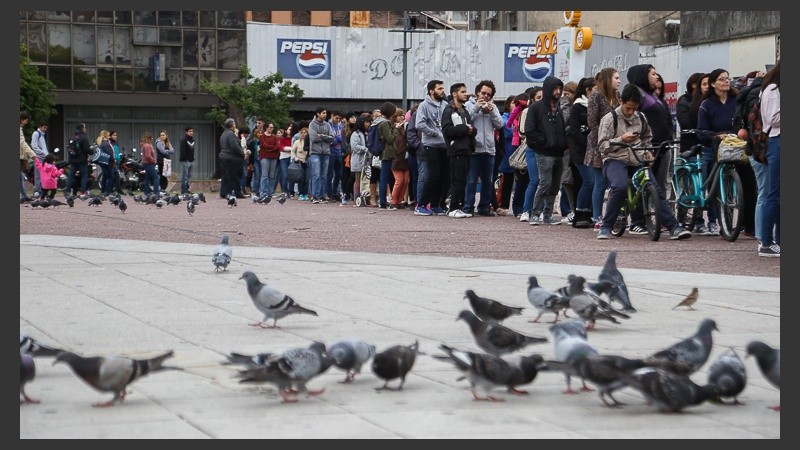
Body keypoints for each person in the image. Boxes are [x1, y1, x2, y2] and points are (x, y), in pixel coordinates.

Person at [596, 84, 691, 241]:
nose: (631, 112)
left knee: (655, 187)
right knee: (619, 186)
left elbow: (647, 136)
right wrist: (621, 139)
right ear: (621, 101)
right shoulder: (609, 119)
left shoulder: (640, 117)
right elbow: (602, 146)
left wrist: (648, 151)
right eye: (628, 108)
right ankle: (606, 226)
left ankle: (673, 226)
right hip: (615, 159)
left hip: (637, 158)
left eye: (634, 108)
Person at [697, 68, 756, 238]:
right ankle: (725, 224)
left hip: (739, 147)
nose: (725, 82)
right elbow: (701, 131)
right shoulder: (706, 105)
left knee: (749, 185)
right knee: (718, 187)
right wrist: (716, 136)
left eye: (727, 78)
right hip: (718, 150)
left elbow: (744, 121)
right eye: (721, 79)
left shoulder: (736, 101)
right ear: (713, 84)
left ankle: (749, 226)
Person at [626, 64, 674, 234]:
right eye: (653, 74)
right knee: (641, 183)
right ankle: (637, 220)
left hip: (661, 146)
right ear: (643, 76)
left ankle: (659, 219)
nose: (656, 77)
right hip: (646, 147)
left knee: (658, 186)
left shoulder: (653, 96)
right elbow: (631, 120)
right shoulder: (638, 95)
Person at [524, 75, 569, 226]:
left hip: (558, 152)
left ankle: (547, 214)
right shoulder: (536, 108)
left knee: (555, 185)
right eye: (555, 88)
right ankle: (535, 214)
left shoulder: (558, 108)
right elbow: (529, 130)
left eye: (560, 88)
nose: (558, 92)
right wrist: (544, 142)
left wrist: (562, 143)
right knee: (545, 183)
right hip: (544, 152)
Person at [585, 68, 620, 228]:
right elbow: (592, 121)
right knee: (600, 182)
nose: (619, 81)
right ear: (607, 79)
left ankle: (613, 216)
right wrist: (604, 137)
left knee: (614, 181)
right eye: (616, 78)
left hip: (616, 142)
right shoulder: (596, 96)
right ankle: (597, 217)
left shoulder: (617, 96)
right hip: (599, 143)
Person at [464, 79, 504, 217]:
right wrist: (477, 107)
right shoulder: (469, 105)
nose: (485, 96)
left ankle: (484, 207)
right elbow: (466, 120)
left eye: (488, 94)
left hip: (489, 149)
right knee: (471, 180)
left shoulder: (493, 107)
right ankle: (468, 207)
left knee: (488, 181)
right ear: (477, 93)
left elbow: (500, 124)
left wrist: (491, 112)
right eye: (483, 93)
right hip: (474, 149)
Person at [441, 82, 476, 218]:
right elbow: (447, 130)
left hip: (466, 148)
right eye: (462, 92)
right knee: (458, 179)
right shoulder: (449, 111)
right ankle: (453, 208)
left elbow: (470, 128)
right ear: (454, 94)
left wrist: (472, 131)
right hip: (456, 149)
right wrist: (465, 129)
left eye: (465, 91)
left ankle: (459, 207)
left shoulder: (465, 111)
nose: (465, 94)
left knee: (463, 180)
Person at [414, 79, 449, 216]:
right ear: (431, 91)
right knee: (434, 175)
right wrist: (434, 133)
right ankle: (421, 204)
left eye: (443, 88)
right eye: (439, 89)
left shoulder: (445, 105)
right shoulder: (424, 105)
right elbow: (419, 124)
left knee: (444, 176)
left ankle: (435, 204)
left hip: (444, 145)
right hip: (431, 144)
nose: (442, 91)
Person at [566, 77, 596, 228]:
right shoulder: (577, 107)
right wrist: (588, 145)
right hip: (580, 151)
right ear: (587, 90)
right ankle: (579, 213)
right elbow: (575, 131)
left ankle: (588, 214)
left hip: (593, 151)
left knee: (592, 182)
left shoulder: (596, 106)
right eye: (595, 90)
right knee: (589, 181)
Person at [757, 61, 780, 257]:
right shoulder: (773, 89)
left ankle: (779, 240)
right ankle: (766, 241)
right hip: (777, 140)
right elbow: (773, 118)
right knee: (774, 193)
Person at [308, 107, 334, 203]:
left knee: (324, 175)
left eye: (325, 113)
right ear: (318, 114)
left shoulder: (327, 125)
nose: (325, 115)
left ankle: (322, 195)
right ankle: (315, 196)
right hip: (315, 152)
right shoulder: (312, 124)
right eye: (323, 113)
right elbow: (313, 138)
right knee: (316, 174)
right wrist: (326, 138)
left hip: (326, 153)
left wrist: (321, 136)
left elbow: (332, 137)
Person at [219, 118, 245, 199]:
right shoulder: (231, 134)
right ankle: (237, 193)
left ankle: (224, 192)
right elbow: (234, 146)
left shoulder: (223, 134)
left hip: (223, 156)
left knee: (225, 176)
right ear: (232, 124)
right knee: (234, 176)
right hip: (231, 158)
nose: (235, 125)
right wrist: (242, 154)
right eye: (234, 123)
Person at [390, 108, 410, 209]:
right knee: (399, 180)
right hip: (396, 158)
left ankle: (399, 200)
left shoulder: (404, 127)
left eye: (402, 115)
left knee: (405, 181)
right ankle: (393, 200)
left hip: (404, 157)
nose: (402, 117)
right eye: (399, 115)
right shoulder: (392, 128)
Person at [64, 123, 91, 197]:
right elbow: (87, 150)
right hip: (82, 160)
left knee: (71, 175)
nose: (85, 129)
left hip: (73, 160)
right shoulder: (84, 138)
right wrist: (92, 151)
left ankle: (67, 191)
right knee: (84, 175)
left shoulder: (72, 138)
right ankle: (82, 192)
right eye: (84, 128)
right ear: (82, 129)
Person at [349, 114, 371, 203]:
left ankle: (364, 197)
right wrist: (366, 149)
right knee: (358, 179)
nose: (368, 124)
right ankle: (357, 198)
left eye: (369, 122)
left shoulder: (366, 133)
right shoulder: (356, 133)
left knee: (365, 180)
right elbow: (355, 146)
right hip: (358, 160)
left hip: (366, 161)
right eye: (366, 122)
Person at [258, 122, 280, 199]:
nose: (272, 129)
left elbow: (277, 146)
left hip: (273, 157)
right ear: (266, 128)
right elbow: (264, 145)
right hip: (265, 157)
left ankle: (271, 192)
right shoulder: (262, 136)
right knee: (264, 175)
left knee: (272, 175)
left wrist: (270, 149)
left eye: (272, 127)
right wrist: (272, 148)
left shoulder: (274, 137)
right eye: (270, 127)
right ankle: (263, 192)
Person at [327, 111, 345, 201]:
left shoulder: (341, 126)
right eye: (336, 118)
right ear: (332, 116)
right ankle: (329, 193)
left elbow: (343, 138)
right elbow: (330, 140)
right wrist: (337, 139)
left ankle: (335, 193)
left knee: (339, 174)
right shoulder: (328, 126)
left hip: (339, 152)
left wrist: (337, 139)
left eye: (339, 119)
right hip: (330, 153)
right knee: (329, 175)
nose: (338, 120)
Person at [30, 120, 49, 198]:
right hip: (39, 157)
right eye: (44, 127)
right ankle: (37, 191)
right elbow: (34, 146)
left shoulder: (41, 135)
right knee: (38, 175)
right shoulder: (36, 133)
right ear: (40, 127)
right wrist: (43, 153)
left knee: (43, 175)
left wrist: (46, 155)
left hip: (43, 157)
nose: (45, 129)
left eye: (46, 128)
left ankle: (41, 191)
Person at [290, 126, 310, 201]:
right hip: (299, 162)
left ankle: (305, 193)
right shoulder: (297, 142)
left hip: (307, 161)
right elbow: (293, 150)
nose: (303, 134)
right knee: (301, 179)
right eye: (302, 132)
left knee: (306, 179)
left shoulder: (309, 142)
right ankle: (301, 193)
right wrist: (295, 158)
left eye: (305, 132)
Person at [95, 130, 115, 195]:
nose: (109, 136)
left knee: (105, 177)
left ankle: (103, 190)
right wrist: (113, 160)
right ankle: (108, 191)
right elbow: (110, 153)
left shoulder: (100, 143)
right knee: (110, 177)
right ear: (106, 136)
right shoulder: (106, 144)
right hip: (108, 162)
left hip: (102, 162)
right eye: (108, 135)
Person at [140, 131, 160, 196]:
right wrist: (154, 161)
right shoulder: (147, 146)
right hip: (149, 163)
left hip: (146, 163)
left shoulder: (144, 145)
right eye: (151, 138)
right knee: (155, 177)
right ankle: (156, 192)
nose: (152, 139)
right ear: (149, 138)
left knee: (147, 178)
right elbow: (148, 156)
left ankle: (146, 192)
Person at [278, 123, 294, 198]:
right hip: (283, 158)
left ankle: (291, 192)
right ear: (285, 130)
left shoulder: (293, 138)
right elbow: (282, 148)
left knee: (291, 175)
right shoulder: (282, 139)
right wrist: (292, 148)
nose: (290, 131)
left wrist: (289, 148)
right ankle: (284, 191)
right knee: (284, 175)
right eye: (289, 129)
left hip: (292, 158)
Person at [179, 126, 195, 194]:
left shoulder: (192, 140)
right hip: (185, 161)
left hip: (191, 160)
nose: (191, 132)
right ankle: (184, 190)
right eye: (190, 131)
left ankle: (187, 189)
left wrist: (192, 159)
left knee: (189, 176)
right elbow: (182, 151)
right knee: (184, 176)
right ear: (186, 132)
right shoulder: (183, 140)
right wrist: (185, 159)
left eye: (192, 131)